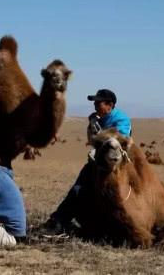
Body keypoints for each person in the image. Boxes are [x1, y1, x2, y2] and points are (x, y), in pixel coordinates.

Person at [43, 89, 132, 235]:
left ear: (110, 105)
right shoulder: (97, 118)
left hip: (117, 165)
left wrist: (100, 134)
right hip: (99, 163)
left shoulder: (121, 119)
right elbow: (92, 141)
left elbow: (119, 140)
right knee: (78, 189)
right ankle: (59, 221)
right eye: (94, 103)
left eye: (99, 103)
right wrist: (91, 127)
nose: (95, 106)